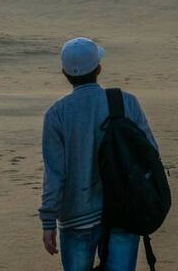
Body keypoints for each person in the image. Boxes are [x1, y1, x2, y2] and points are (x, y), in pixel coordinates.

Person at [39, 37, 159, 271]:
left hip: (76, 218)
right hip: (124, 213)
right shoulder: (126, 102)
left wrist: (48, 220)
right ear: (99, 69)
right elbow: (151, 154)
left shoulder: (56, 115)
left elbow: (55, 175)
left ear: (64, 73)